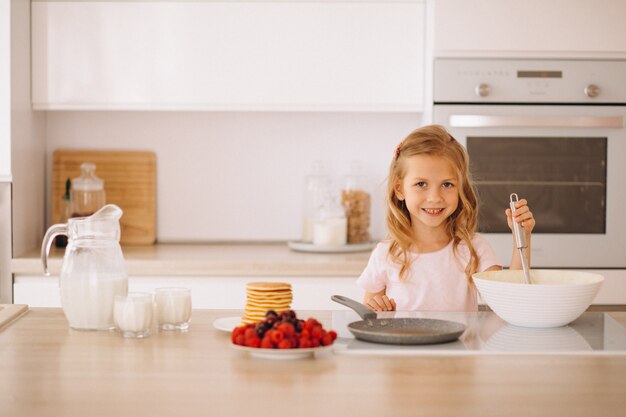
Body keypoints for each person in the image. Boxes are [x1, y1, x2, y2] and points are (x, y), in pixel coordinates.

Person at [357, 125, 535, 312]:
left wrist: (522, 239)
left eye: (447, 184)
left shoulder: (473, 248)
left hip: (460, 343)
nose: (434, 197)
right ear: (399, 189)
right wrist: (379, 311)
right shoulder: (386, 254)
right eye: (421, 184)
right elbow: (369, 316)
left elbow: (510, 300)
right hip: (405, 342)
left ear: (460, 189)